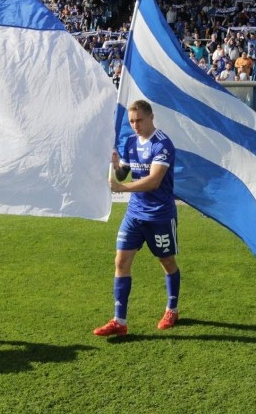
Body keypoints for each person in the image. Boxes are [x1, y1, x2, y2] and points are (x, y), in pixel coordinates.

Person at [95, 100, 179, 337]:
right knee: (121, 262)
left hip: (160, 214)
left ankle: (172, 308)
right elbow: (124, 171)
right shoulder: (130, 142)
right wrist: (115, 164)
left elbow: (154, 181)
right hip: (134, 214)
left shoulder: (163, 145)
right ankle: (119, 320)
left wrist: (121, 188)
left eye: (139, 120)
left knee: (167, 262)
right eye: (132, 121)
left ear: (151, 117)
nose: (135, 125)